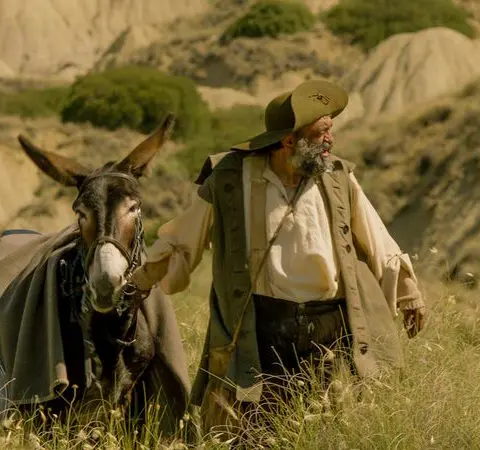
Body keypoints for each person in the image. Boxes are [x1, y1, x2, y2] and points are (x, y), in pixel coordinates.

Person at [131, 79, 427, 439]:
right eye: (321, 133)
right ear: (289, 141)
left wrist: (409, 293)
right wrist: (137, 285)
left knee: (327, 433)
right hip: (262, 330)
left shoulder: (338, 177)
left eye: (330, 130)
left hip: (330, 330)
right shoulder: (230, 179)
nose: (330, 140)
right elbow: (182, 240)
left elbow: (377, 237)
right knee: (254, 433)